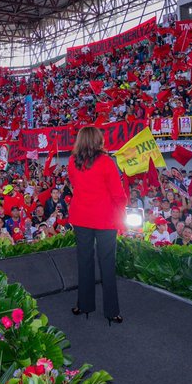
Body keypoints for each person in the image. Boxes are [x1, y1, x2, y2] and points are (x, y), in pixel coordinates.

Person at [66, 126, 127, 324]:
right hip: (105, 219)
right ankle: (112, 311)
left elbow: (75, 185)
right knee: (107, 264)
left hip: (82, 217)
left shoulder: (72, 162)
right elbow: (117, 193)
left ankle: (84, 305)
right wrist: (122, 208)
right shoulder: (107, 162)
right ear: (98, 141)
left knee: (84, 262)